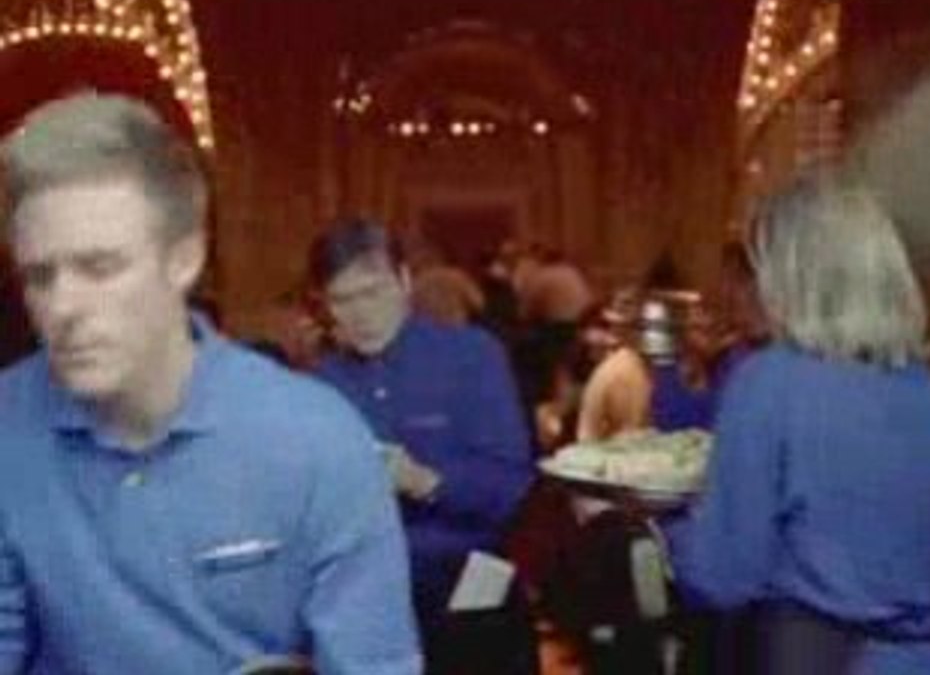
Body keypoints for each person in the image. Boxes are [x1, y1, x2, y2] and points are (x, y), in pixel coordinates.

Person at [0, 92, 421, 675]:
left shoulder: (317, 441)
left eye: (100, 268)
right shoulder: (8, 428)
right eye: (39, 276)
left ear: (184, 259)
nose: (62, 306)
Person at [664, 181, 930, 674]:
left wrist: (666, 535)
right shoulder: (929, 393)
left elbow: (723, 574)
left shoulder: (769, 380)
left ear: (792, 275)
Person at [309, 220, 537, 675]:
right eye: (342, 300)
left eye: (373, 292)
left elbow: (515, 488)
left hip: (468, 590)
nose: (361, 314)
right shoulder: (322, 383)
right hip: (365, 602)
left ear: (405, 281)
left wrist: (423, 481)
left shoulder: (471, 356)